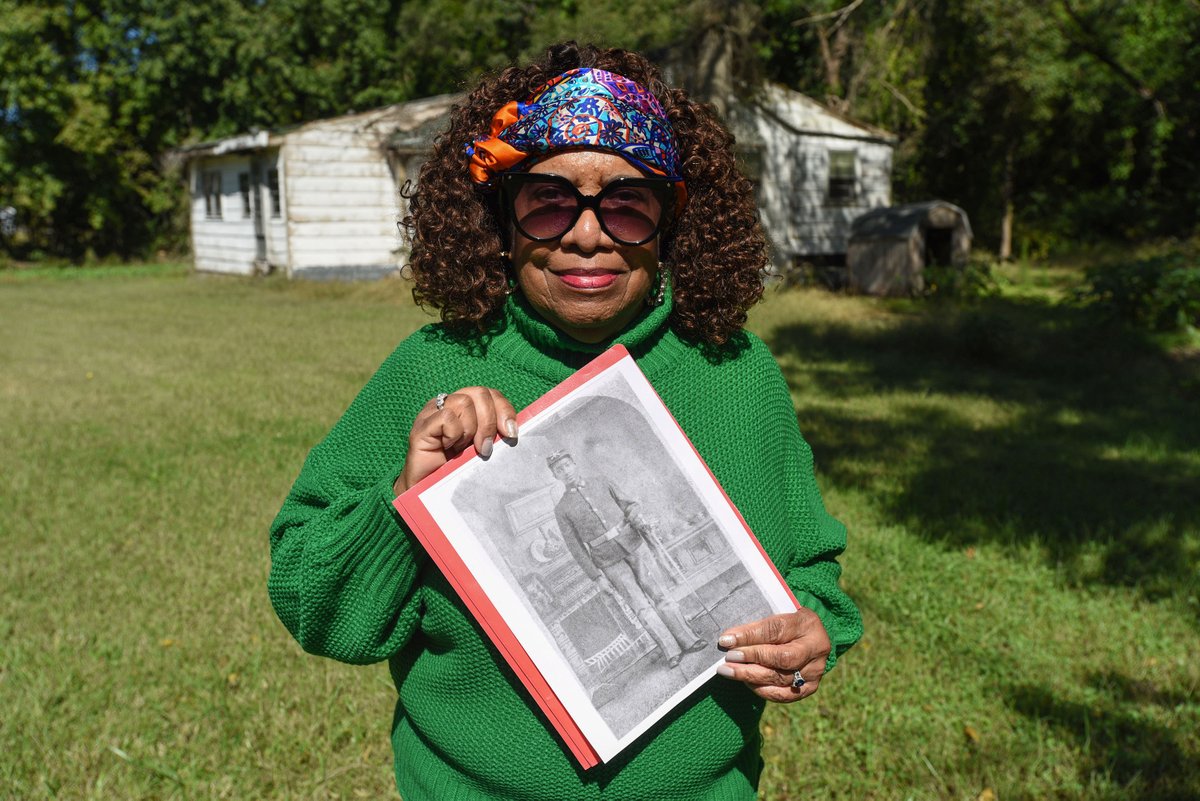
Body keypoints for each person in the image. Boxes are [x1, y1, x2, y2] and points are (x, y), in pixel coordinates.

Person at [269, 41, 862, 800]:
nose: (588, 233)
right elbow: (316, 609)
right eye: (549, 200)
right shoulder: (430, 373)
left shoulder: (738, 374)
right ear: (502, 221)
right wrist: (404, 499)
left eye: (627, 202)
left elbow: (811, 572)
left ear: (671, 220)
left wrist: (811, 630)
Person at [546, 449, 707, 669]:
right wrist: (596, 577)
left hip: (634, 544)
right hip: (608, 561)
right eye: (558, 470)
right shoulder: (562, 509)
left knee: (659, 594)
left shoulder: (601, 481)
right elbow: (575, 547)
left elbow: (630, 504)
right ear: (555, 476)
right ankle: (671, 650)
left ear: (574, 464)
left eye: (566, 465)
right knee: (641, 606)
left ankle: (688, 639)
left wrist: (635, 518)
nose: (565, 471)